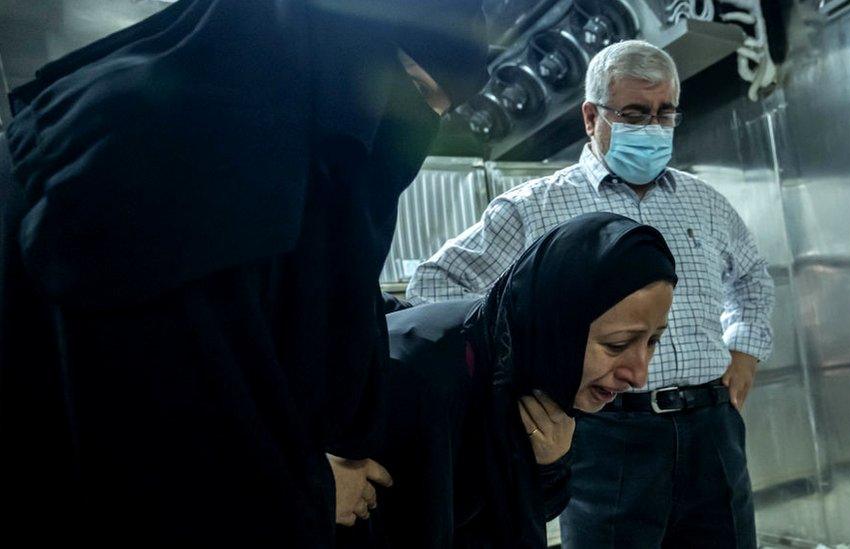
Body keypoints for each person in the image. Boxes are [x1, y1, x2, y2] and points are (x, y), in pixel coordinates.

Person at [0, 0, 487, 546]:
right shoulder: (182, 151)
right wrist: (311, 489)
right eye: (417, 90)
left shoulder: (252, 146)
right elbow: (155, 434)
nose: (416, 133)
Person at [406, 39, 775, 548]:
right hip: (604, 436)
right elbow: (435, 288)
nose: (653, 127)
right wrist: (519, 382)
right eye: (634, 113)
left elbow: (753, 281)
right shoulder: (533, 209)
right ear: (590, 117)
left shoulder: (705, 203)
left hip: (710, 428)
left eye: (665, 113)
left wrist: (746, 355)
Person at [339, 212, 677, 548]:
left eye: (653, 341)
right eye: (616, 345)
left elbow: (518, 514)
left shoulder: (531, 372)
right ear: (556, 325)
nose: (638, 375)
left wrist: (550, 465)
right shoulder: (419, 380)